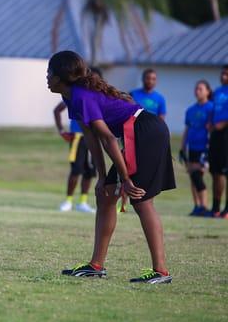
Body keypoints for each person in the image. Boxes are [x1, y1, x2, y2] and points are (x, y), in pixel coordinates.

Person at [47, 51, 175, 284]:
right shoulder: (71, 97)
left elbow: (107, 138)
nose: (47, 77)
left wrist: (125, 178)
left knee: (141, 199)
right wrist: (102, 177)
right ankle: (96, 266)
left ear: (61, 77)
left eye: (50, 72)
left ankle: (161, 271)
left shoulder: (81, 96)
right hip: (139, 133)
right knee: (106, 196)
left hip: (145, 132)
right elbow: (91, 139)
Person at [53, 67, 102, 213]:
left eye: (96, 77)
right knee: (76, 170)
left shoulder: (100, 96)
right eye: (90, 77)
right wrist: (62, 131)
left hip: (93, 138)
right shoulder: (76, 95)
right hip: (78, 138)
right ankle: (68, 201)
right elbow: (57, 110)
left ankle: (83, 202)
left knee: (90, 171)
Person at [180, 80, 214, 217]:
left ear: (207, 91)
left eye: (200, 89)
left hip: (204, 148)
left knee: (197, 176)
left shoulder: (211, 108)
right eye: (196, 88)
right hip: (192, 148)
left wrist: (209, 148)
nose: (197, 91)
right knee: (192, 177)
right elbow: (187, 129)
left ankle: (204, 207)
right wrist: (182, 147)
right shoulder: (190, 110)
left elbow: (212, 130)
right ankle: (197, 207)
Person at [208, 66, 228, 218]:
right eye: (223, 73)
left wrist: (224, 123)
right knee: (215, 172)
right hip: (216, 135)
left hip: (225, 134)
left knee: (224, 172)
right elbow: (213, 110)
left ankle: (226, 210)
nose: (224, 76)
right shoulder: (217, 92)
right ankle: (215, 208)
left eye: (227, 74)